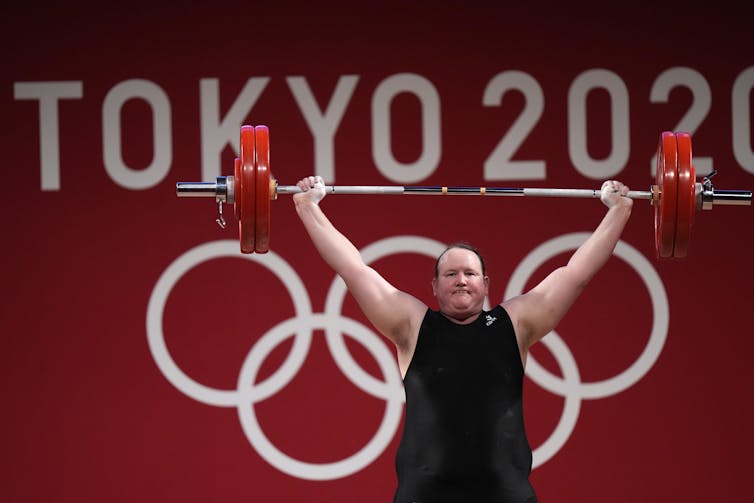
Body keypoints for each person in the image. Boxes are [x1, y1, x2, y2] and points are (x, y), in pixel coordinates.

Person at [293, 176, 633, 503]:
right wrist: (309, 207)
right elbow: (354, 270)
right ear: (435, 286)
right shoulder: (411, 326)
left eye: (470, 273)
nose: (461, 281)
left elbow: (576, 275)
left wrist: (618, 211)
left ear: (486, 284)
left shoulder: (515, 324)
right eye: (450, 274)